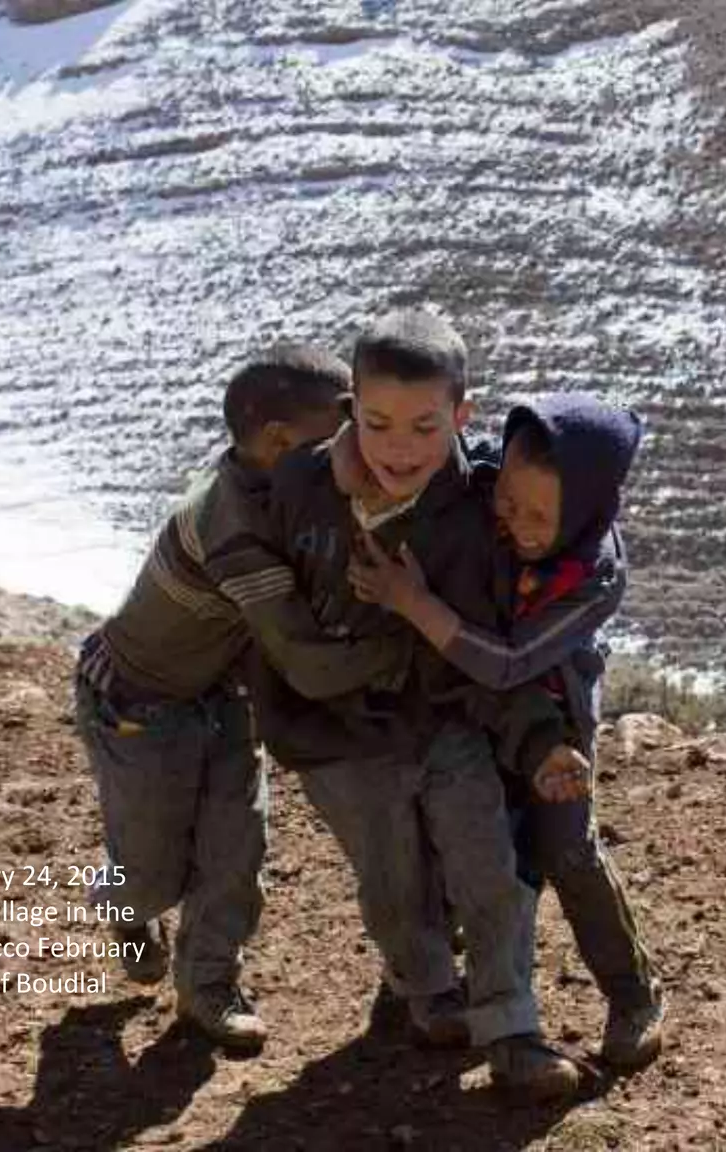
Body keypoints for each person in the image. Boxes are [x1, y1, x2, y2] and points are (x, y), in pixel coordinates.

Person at [256, 309, 588, 1101]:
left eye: (424, 426)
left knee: (489, 871)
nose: (399, 448)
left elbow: (491, 640)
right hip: (341, 737)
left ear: (463, 417)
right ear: (350, 414)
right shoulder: (301, 486)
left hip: (449, 721)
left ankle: (512, 1028)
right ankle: (428, 992)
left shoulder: (477, 512)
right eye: (376, 424)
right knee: (393, 878)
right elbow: (263, 605)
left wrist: (539, 737)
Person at [75, 344, 405, 1052]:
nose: (363, 442)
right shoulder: (234, 529)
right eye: (342, 428)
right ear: (280, 442)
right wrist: (419, 636)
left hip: (221, 696)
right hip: (138, 706)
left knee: (235, 852)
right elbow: (311, 666)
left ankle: (208, 987)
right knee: (150, 874)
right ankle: (122, 910)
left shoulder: (274, 483)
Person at [345, 392, 665, 1070]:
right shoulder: (487, 484)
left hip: (551, 716)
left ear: (581, 513)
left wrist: (414, 603)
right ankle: (426, 983)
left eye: (540, 517)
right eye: (509, 504)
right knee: (463, 839)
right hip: (464, 699)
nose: (516, 523)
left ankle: (634, 995)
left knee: (564, 848)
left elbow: (512, 661)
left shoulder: (595, 575)